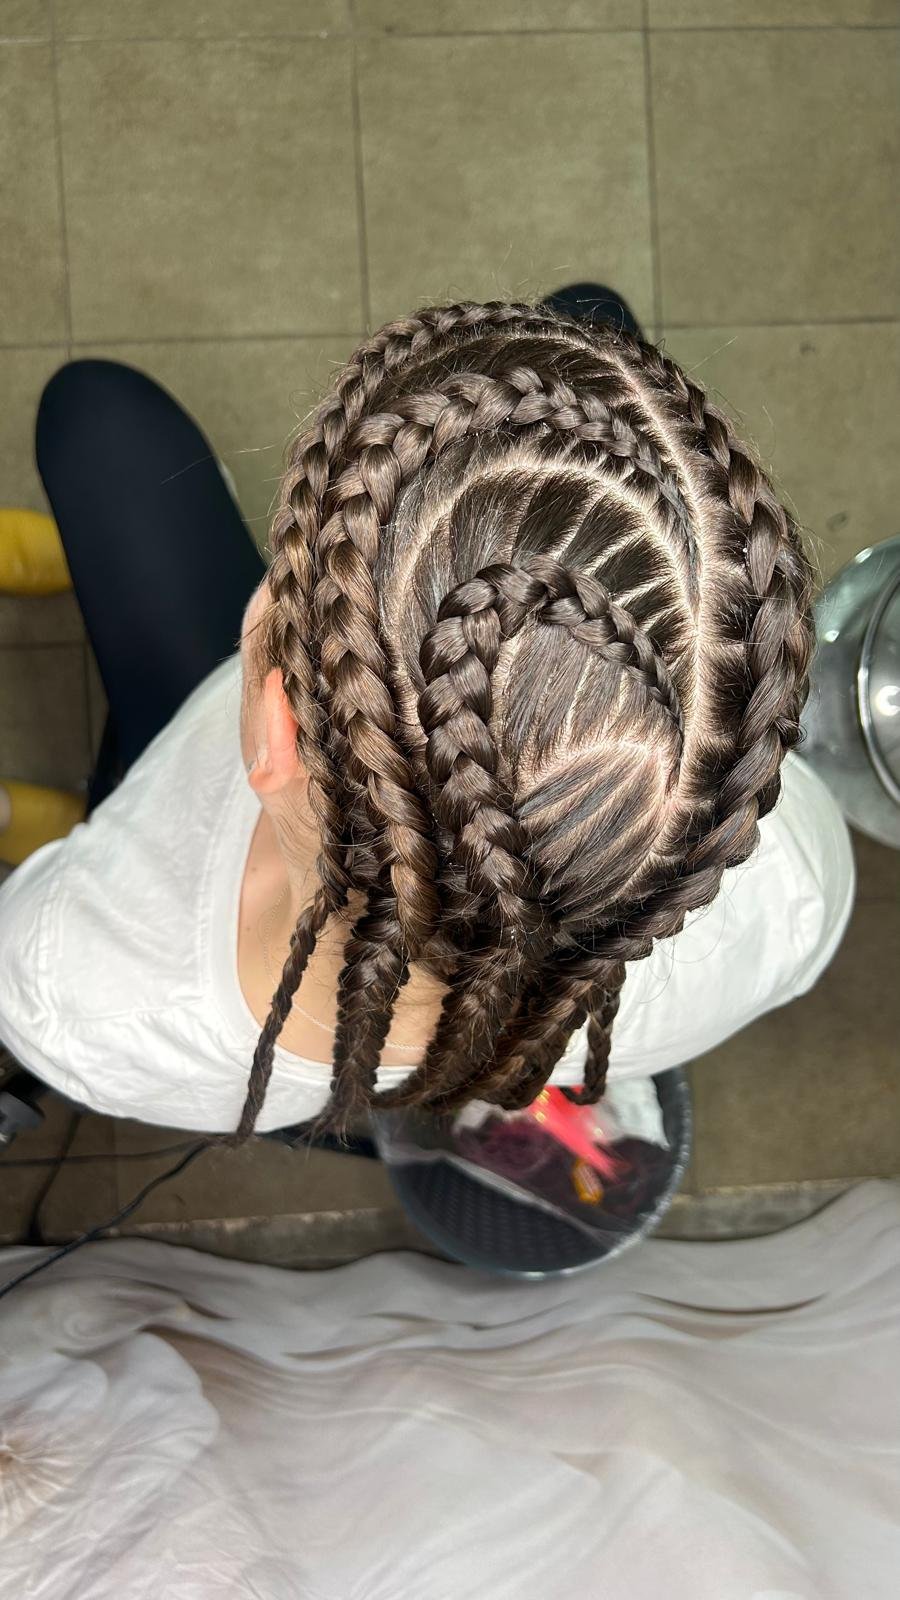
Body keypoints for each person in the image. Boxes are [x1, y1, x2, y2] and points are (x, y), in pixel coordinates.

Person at [0, 290, 854, 1140]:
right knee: (586, 311)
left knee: (95, 414)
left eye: (290, 577)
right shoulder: (798, 896)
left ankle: (43, 809)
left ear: (275, 732)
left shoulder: (77, 991)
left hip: (160, 847)